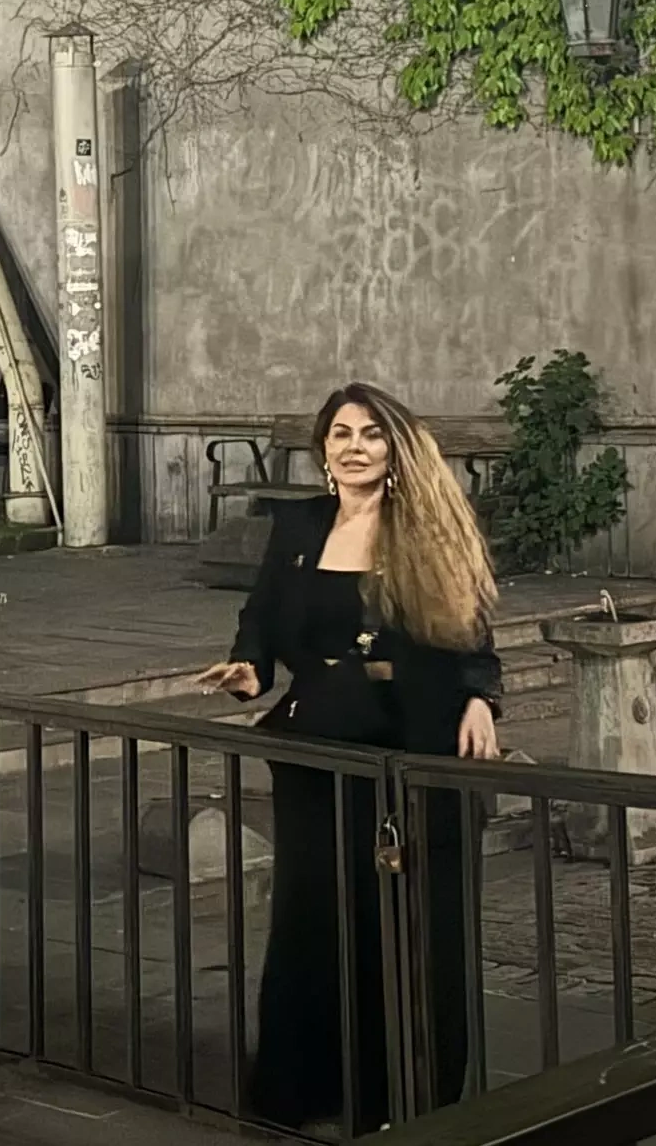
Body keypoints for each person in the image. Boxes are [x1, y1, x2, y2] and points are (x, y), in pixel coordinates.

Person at [196, 382, 502, 1133]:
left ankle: (409, 1098)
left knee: (412, 925)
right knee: (314, 916)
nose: (355, 446)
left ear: (394, 446)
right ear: (322, 448)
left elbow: (472, 631)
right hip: (317, 746)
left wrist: (479, 699)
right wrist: (250, 669)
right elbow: (261, 619)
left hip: (414, 741)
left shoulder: (428, 524)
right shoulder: (299, 524)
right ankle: (304, 1092)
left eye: (370, 433)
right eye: (340, 433)